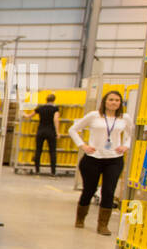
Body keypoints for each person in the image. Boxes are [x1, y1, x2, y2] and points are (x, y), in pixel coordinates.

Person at [70, 90, 130, 235]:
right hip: (92, 159)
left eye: (117, 100)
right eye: (111, 99)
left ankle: (103, 225)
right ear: (105, 101)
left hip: (114, 159)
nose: (114, 102)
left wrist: (126, 146)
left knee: (108, 191)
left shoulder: (124, 118)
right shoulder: (94, 116)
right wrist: (82, 145)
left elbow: (132, 135)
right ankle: (80, 218)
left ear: (120, 103)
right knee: (89, 190)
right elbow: (73, 129)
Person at [30, 92, 61, 175]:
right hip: (51, 131)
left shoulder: (40, 108)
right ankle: (53, 171)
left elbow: (30, 115)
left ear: (46, 100)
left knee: (38, 150)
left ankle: (37, 170)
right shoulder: (55, 109)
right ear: (54, 100)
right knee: (52, 151)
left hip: (40, 131)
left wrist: (23, 115)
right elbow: (56, 119)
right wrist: (58, 132)